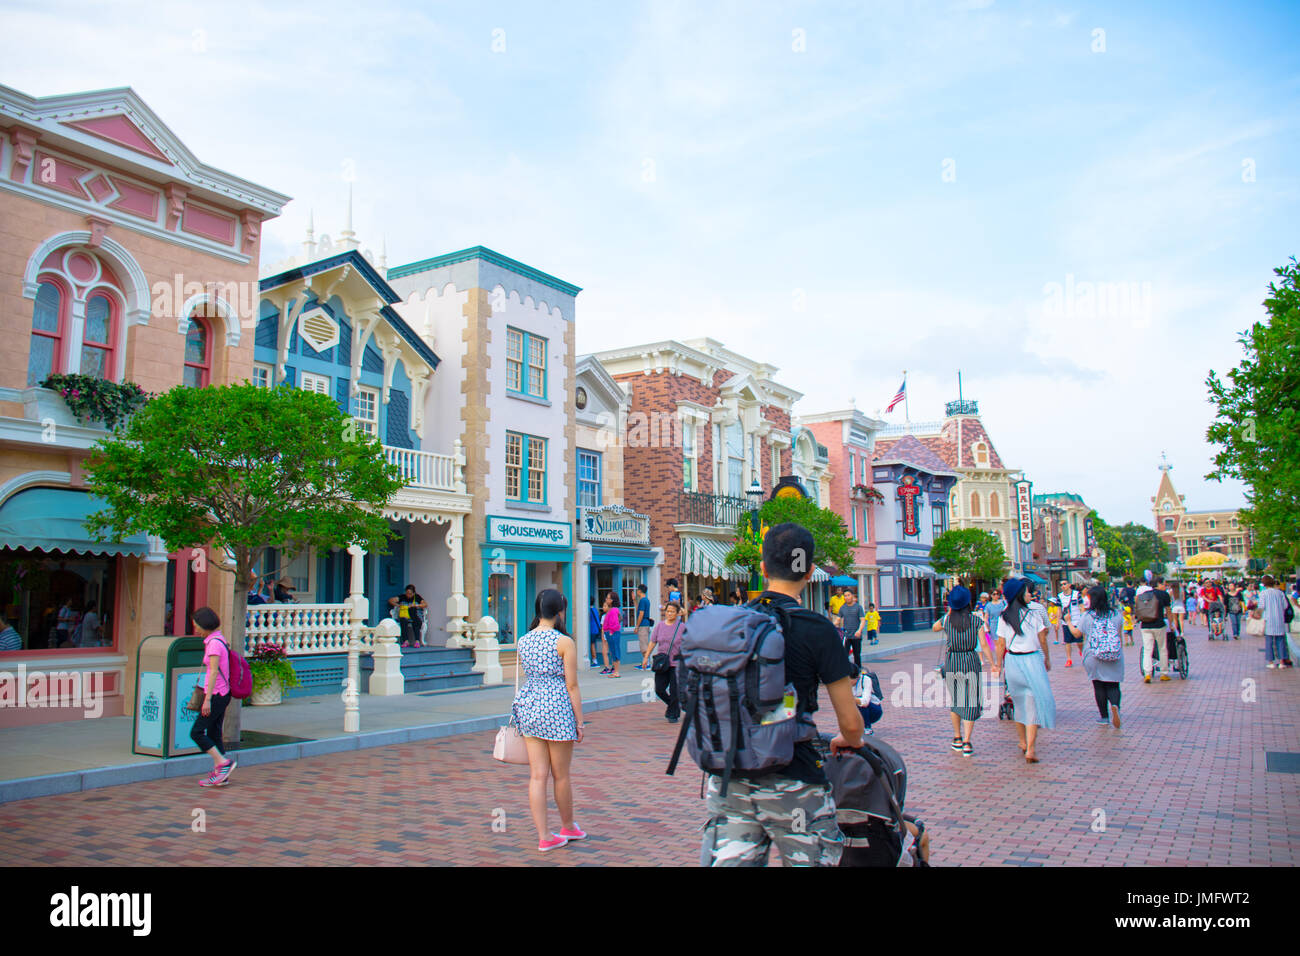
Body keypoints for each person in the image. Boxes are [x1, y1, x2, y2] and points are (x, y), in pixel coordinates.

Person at [699, 522, 864, 867]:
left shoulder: (733, 622)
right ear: (810, 571)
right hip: (794, 785)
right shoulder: (819, 629)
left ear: (761, 568)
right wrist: (848, 740)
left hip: (731, 778)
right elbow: (850, 722)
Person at [511, 588, 585, 852]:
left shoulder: (523, 640)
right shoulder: (564, 642)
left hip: (530, 706)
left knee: (537, 775)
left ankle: (544, 835)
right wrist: (580, 721)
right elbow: (572, 685)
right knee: (561, 775)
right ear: (560, 611)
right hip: (557, 709)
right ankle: (568, 825)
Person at [995, 578, 1055, 763]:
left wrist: (998, 665)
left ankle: (1022, 741)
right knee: (1033, 705)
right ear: (1019, 594)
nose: (1031, 594)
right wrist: (1047, 658)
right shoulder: (1033, 615)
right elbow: (1043, 639)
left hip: (1012, 661)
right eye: (1027, 592)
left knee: (1019, 703)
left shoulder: (1004, 616)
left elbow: (1001, 644)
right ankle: (1031, 748)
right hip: (1031, 660)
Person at [931, 585, 983, 757]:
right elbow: (983, 643)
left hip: (953, 660)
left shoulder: (947, 619)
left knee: (957, 700)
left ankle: (957, 737)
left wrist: (949, 612)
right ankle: (968, 742)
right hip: (970, 659)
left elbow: (934, 627)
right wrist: (993, 662)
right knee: (971, 700)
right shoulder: (976, 620)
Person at [190, 607, 237, 787]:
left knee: (196, 732)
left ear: (205, 625)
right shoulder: (218, 639)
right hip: (222, 693)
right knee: (214, 732)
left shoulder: (214, 644)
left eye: (197, 626)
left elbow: (213, 672)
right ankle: (221, 775)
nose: (196, 630)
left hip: (217, 694)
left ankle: (222, 763)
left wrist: (207, 699)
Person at [1068, 585, 1124, 729]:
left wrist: (1068, 621)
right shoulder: (1116, 614)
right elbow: (1119, 635)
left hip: (1093, 654)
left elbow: (1077, 634)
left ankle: (1104, 717)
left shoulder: (1088, 616)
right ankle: (1115, 705)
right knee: (1113, 684)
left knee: (1098, 685)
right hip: (1113, 653)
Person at [642, 599, 685, 721]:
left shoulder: (681, 627)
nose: (670, 614)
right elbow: (652, 642)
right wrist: (646, 657)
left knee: (674, 690)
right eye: (668, 611)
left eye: (672, 612)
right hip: (662, 663)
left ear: (677, 613)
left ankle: (673, 713)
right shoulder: (660, 626)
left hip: (676, 663)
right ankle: (674, 706)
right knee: (659, 689)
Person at [1135, 573, 1173, 683]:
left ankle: (1147, 674)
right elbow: (1168, 610)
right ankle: (1163, 673)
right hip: (1159, 624)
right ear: (1159, 584)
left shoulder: (1145, 594)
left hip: (1145, 625)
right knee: (1162, 648)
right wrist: (1171, 624)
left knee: (1147, 650)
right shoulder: (1164, 594)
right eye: (1164, 584)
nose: (1165, 586)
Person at [1260, 575, 1293, 669]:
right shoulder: (1280, 593)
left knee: (1269, 641)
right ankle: (1282, 661)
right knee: (1281, 640)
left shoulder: (1263, 593)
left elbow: (1262, 606)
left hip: (1269, 619)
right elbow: (1285, 605)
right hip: (1279, 619)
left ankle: (1271, 662)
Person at [839, 590, 865, 671]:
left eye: (848, 595)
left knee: (856, 655)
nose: (847, 597)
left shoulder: (858, 607)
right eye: (845, 596)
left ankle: (858, 671)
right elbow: (838, 619)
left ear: (852, 596)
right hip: (846, 636)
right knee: (844, 654)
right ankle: (846, 671)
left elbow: (863, 620)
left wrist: (859, 631)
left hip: (856, 635)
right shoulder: (842, 608)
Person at [982, 588, 1006, 675]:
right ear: (991, 595)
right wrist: (987, 626)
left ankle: (1004, 658)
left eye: (997, 594)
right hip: (993, 625)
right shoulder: (988, 605)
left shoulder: (1003, 603)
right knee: (996, 644)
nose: (996, 596)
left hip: (1002, 623)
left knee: (1003, 642)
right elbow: (986, 617)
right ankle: (998, 659)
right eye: (993, 594)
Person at [598, 591, 622, 678]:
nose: (606, 599)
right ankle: (615, 671)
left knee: (615, 651)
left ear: (611, 600)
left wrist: (611, 632)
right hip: (610, 633)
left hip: (613, 633)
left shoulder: (613, 610)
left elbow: (615, 623)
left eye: (608, 598)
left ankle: (616, 671)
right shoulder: (612, 610)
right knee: (613, 651)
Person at [632, 583, 654, 670]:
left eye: (637, 590)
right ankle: (645, 662)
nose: (637, 591)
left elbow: (641, 614)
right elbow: (638, 610)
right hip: (646, 623)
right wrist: (634, 600)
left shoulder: (643, 600)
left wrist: (637, 626)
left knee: (643, 645)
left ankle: (646, 663)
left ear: (640, 591)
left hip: (643, 625)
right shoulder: (645, 600)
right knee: (644, 643)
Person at [587, 598, 603, 667]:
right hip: (596, 629)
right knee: (592, 644)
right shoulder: (595, 610)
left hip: (592, 630)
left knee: (592, 645)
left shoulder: (589, 611)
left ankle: (594, 660)